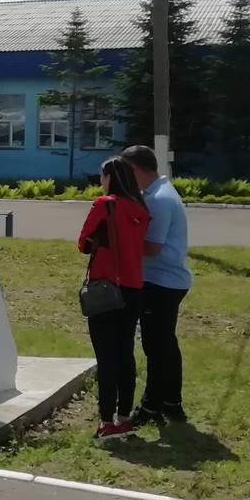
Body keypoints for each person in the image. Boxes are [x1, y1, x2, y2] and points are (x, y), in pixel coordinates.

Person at [76, 156, 150, 441]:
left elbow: (83, 242)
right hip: (133, 289)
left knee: (106, 357)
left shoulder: (104, 204)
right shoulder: (141, 208)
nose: (101, 181)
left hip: (106, 290)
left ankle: (106, 422)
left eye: (102, 176)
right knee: (125, 354)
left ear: (110, 178)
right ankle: (124, 418)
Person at [122, 144, 193, 426]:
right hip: (164, 279)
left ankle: (150, 407)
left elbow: (152, 247)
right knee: (165, 344)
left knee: (156, 347)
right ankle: (171, 403)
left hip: (161, 281)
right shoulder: (154, 193)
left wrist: (118, 243)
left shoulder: (159, 199)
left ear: (135, 170)